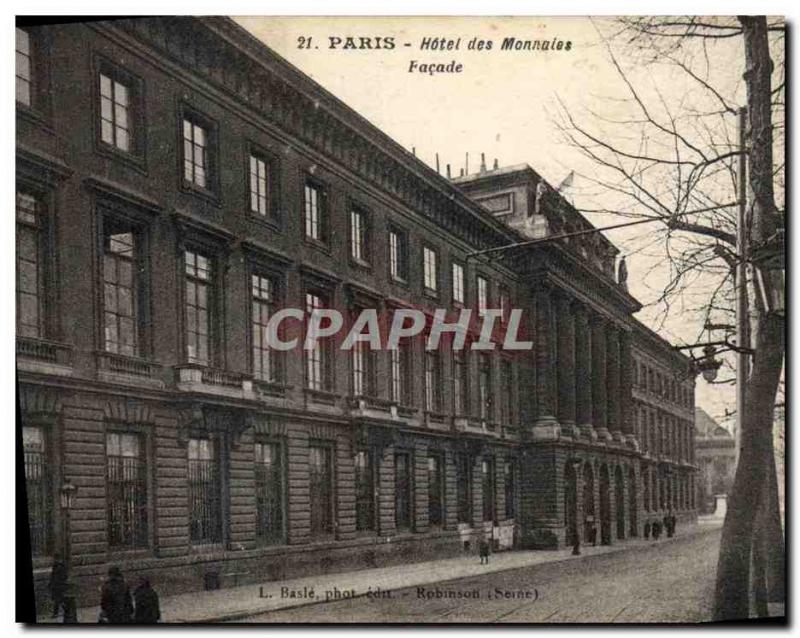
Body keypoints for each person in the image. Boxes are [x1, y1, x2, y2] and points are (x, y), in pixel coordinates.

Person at [48, 554, 68, 619]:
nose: (54, 560)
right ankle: (61, 612)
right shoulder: (56, 566)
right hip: (56, 585)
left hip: (59, 586)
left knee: (58, 600)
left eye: (56, 559)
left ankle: (57, 613)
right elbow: (53, 576)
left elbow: (63, 576)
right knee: (58, 600)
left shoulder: (61, 566)